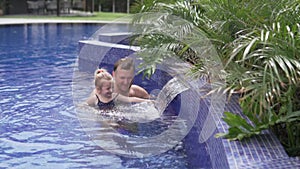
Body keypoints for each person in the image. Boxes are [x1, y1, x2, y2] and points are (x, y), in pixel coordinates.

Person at [86, 68, 150, 110]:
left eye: (112, 87)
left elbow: (131, 99)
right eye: (122, 78)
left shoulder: (115, 96)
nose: (111, 90)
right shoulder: (95, 97)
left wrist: (150, 101)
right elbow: (85, 106)